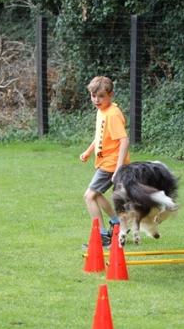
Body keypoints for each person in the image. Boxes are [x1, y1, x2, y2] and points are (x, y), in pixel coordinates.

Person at [80, 76, 130, 247]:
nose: (96, 100)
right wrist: (88, 152)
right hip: (105, 162)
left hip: (112, 164)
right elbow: (100, 137)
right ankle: (116, 223)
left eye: (101, 96)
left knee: (89, 196)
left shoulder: (113, 114)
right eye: (93, 96)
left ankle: (102, 236)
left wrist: (118, 168)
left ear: (111, 95)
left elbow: (124, 140)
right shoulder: (102, 111)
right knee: (97, 195)